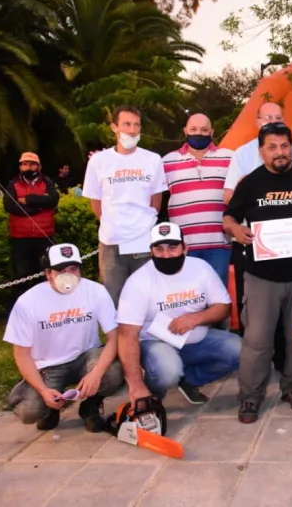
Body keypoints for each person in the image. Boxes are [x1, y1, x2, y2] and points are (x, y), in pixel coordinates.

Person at [223, 122, 292, 424]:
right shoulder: (250, 183)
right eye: (272, 147)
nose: (279, 152)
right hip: (262, 278)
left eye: (284, 146)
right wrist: (236, 230)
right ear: (261, 151)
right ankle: (250, 396)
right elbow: (228, 217)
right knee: (257, 340)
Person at [116, 222, 240, 405]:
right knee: (168, 370)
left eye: (173, 247)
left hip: (196, 339)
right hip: (155, 343)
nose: (166, 255)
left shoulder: (201, 268)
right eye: (159, 249)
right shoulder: (138, 281)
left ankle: (189, 380)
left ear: (185, 248)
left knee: (241, 351)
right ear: (151, 252)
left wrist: (195, 318)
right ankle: (153, 392)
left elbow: (224, 306)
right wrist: (136, 386)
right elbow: (127, 335)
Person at [3, 243, 124, 431]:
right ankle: (49, 408)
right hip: (47, 366)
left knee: (114, 374)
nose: (68, 275)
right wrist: (43, 391)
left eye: (73, 269)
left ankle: (90, 405)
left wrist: (96, 374)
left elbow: (114, 337)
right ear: (48, 273)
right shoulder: (28, 302)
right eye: (60, 270)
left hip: (85, 356)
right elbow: (21, 354)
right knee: (28, 411)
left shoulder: (95, 291)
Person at [82, 105, 168, 304]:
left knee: (147, 300)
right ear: (114, 127)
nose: (132, 130)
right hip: (111, 243)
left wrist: (143, 224)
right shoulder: (98, 161)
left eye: (136, 125)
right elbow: (96, 202)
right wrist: (112, 224)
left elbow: (156, 200)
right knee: (113, 300)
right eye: (127, 124)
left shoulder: (153, 160)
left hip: (144, 241)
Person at [163, 113, 234, 286]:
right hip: (184, 246)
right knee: (187, 295)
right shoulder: (167, 162)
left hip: (219, 244)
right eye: (193, 129)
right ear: (185, 131)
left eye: (204, 130)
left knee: (218, 296)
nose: (198, 133)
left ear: (212, 132)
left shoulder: (230, 157)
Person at [3, 152, 60, 296]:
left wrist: (27, 199)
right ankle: (20, 304)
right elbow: (10, 206)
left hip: (44, 235)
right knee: (21, 275)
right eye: (25, 164)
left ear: (39, 167)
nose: (28, 167)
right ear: (20, 167)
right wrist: (39, 207)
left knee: (45, 273)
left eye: (32, 164)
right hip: (20, 238)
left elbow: (53, 200)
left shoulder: (47, 182)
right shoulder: (13, 184)